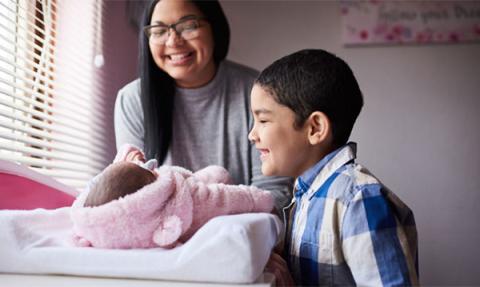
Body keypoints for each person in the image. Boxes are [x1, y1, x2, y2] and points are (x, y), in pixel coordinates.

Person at [248, 49, 419, 286]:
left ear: (315, 128)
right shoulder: (304, 197)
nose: (252, 135)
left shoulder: (358, 200)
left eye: (263, 120)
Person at [114, 0, 292, 213]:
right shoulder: (133, 100)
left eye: (188, 26)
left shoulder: (258, 92)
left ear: (214, 28)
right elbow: (134, 193)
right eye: (159, 30)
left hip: (241, 234)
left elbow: (273, 193)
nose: (173, 41)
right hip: (163, 236)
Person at [71, 144, 274, 249]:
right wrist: (258, 198)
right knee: (219, 175)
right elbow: (225, 197)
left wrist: (130, 160)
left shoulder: (98, 222)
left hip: (187, 179)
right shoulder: (181, 203)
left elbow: (114, 178)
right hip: (191, 187)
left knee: (214, 174)